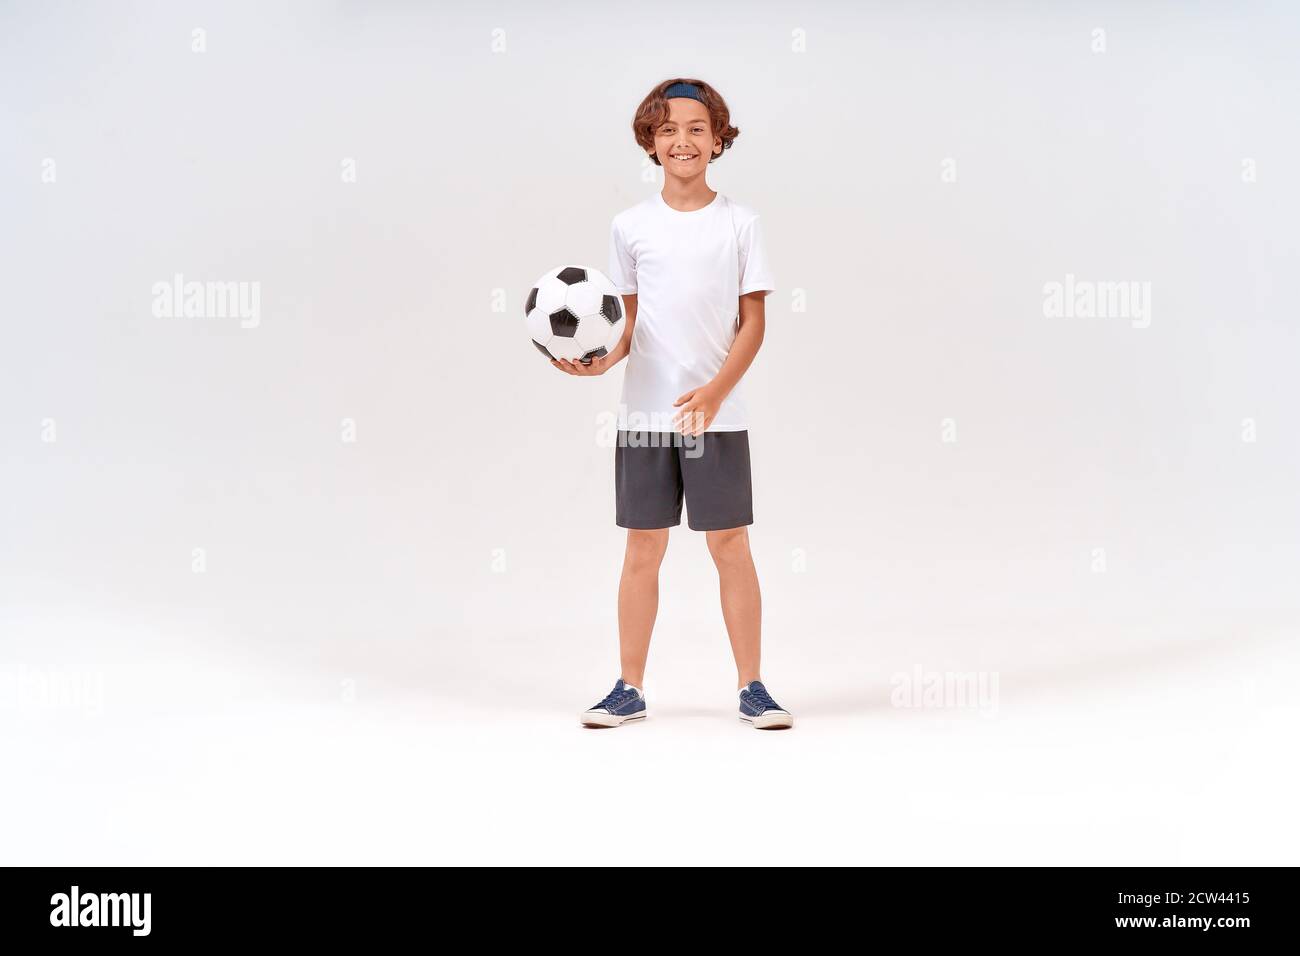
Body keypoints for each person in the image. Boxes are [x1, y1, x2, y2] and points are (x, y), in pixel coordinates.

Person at [552, 78, 793, 731]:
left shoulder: (741, 224)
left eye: (694, 128)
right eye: (667, 130)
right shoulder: (629, 226)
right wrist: (596, 362)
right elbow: (628, 326)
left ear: (718, 139)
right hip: (645, 419)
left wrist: (715, 394)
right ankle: (628, 687)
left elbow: (754, 325)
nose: (681, 140)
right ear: (650, 143)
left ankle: (753, 687)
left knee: (731, 545)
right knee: (642, 549)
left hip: (717, 419)